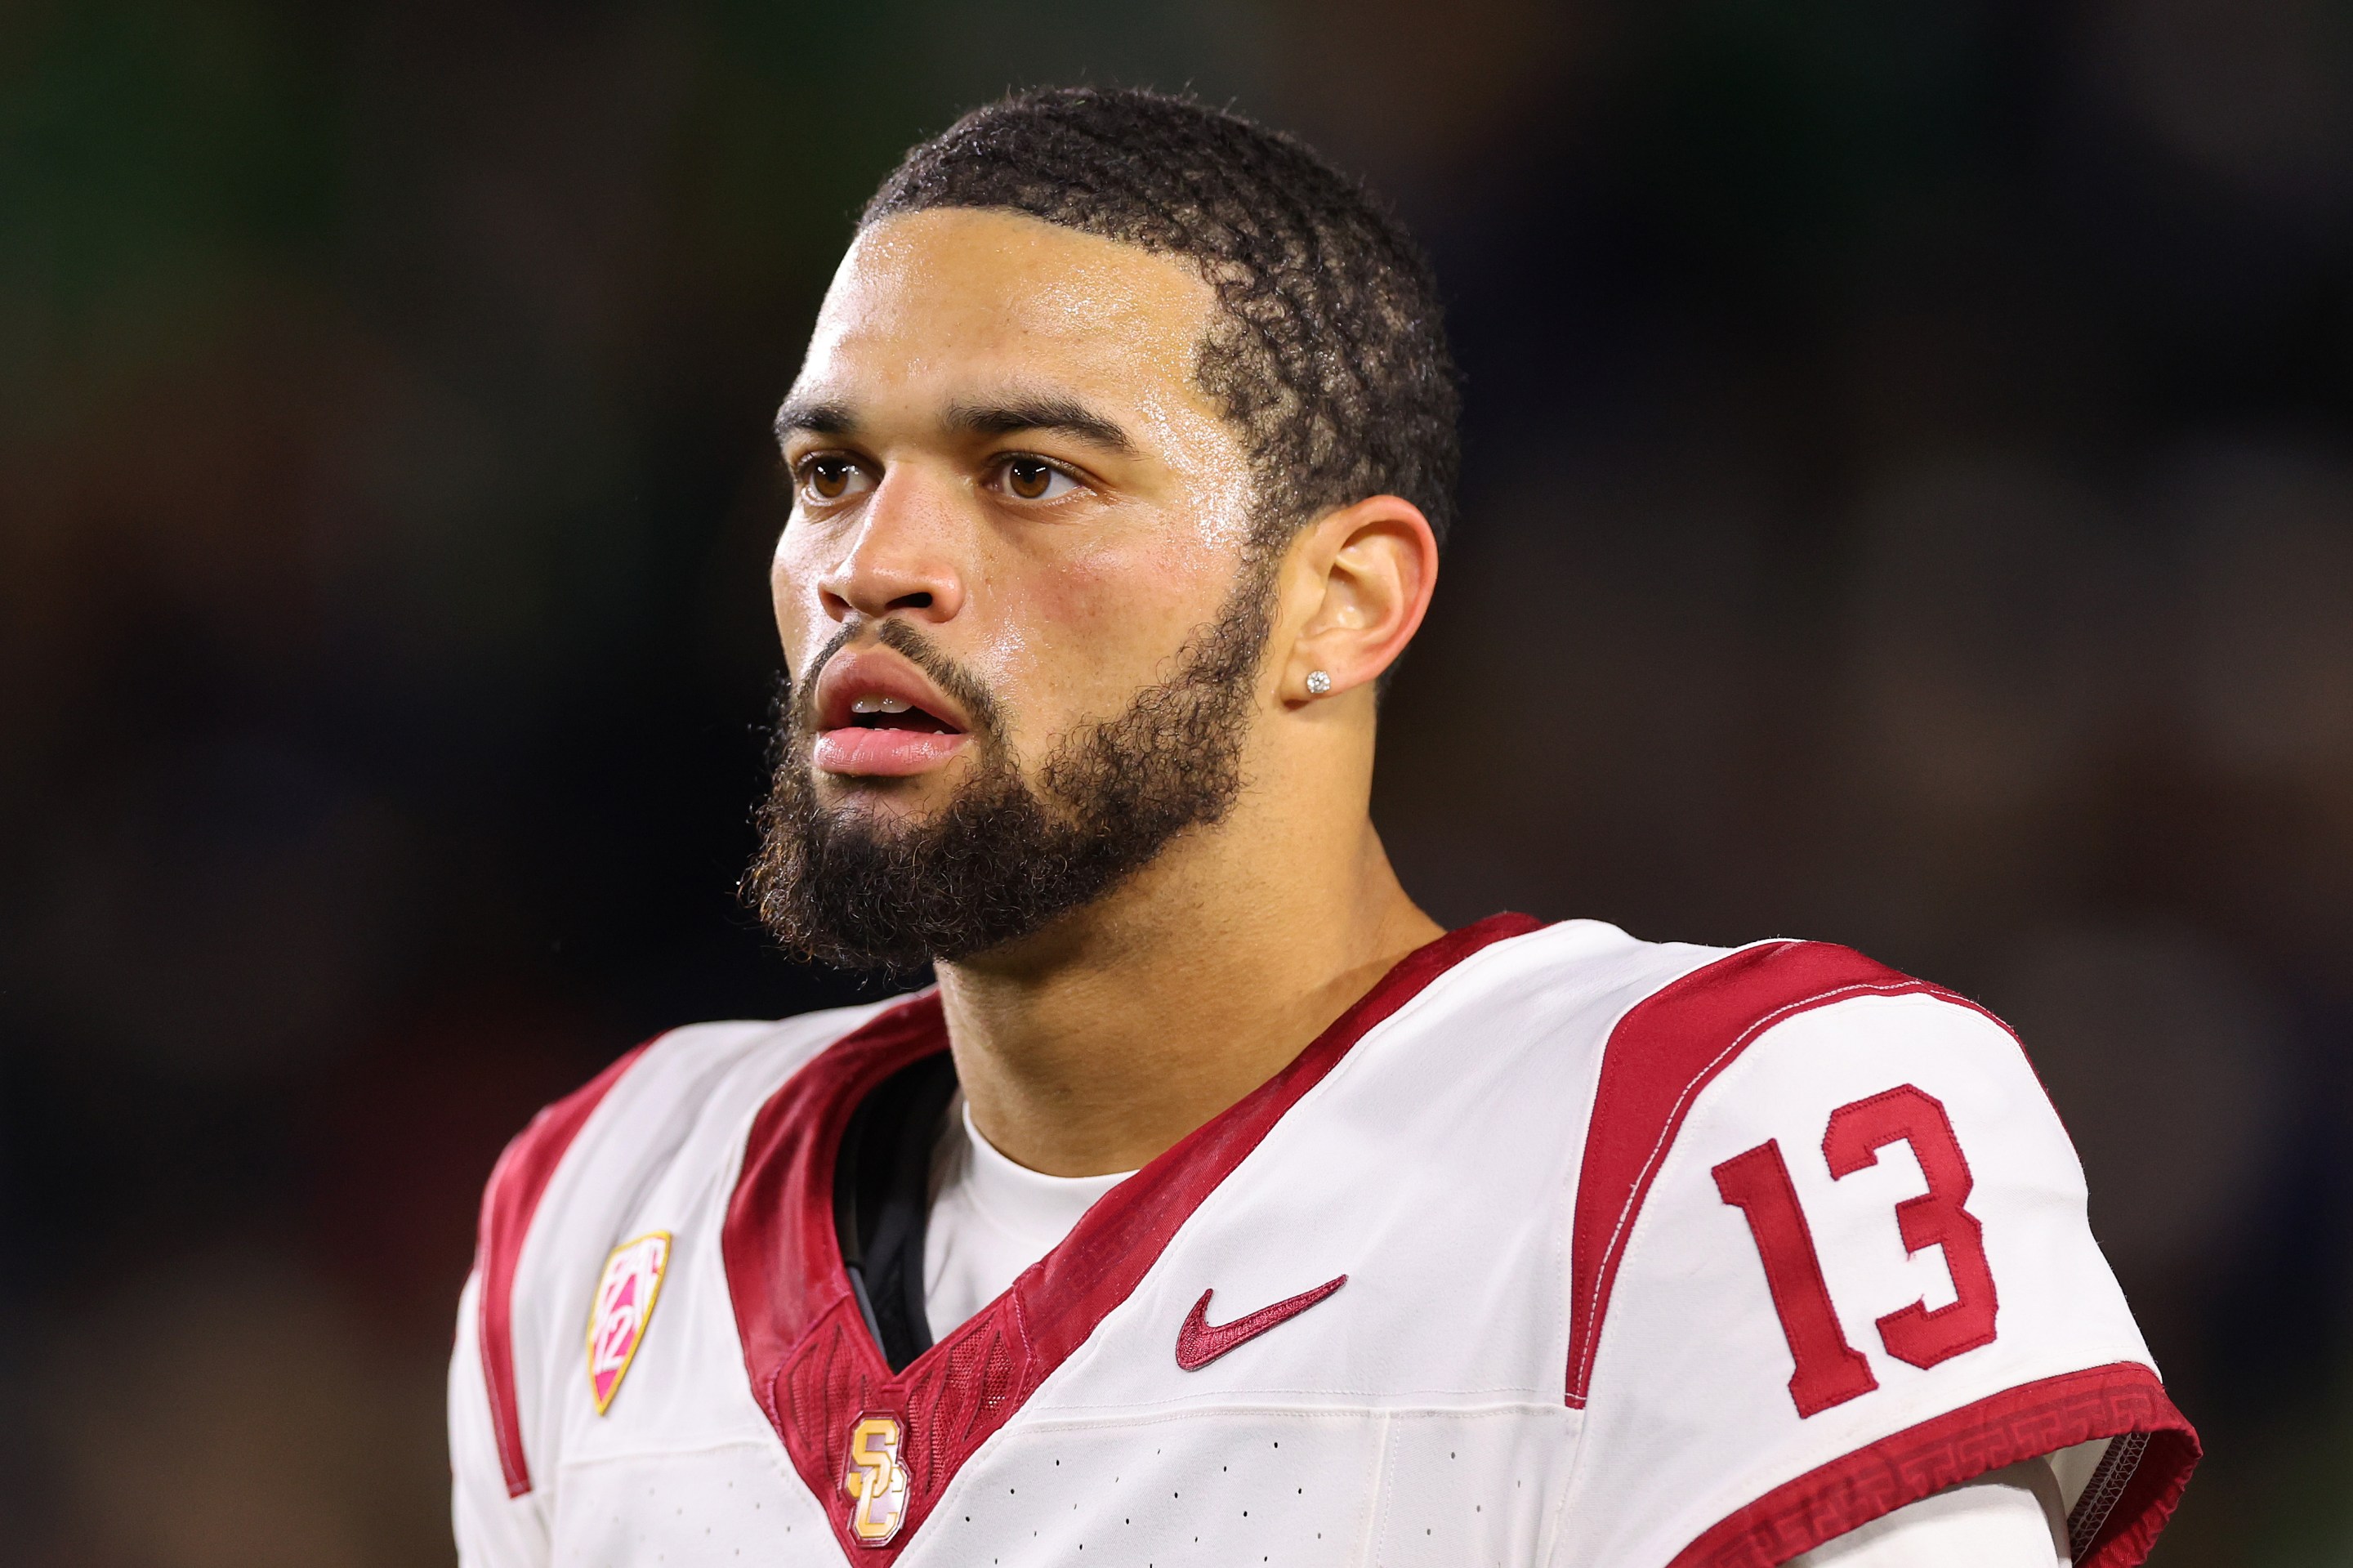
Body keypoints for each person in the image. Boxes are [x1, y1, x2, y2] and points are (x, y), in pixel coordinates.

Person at [449, 87, 2195, 1567]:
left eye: (1030, 473)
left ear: (1343, 603)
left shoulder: (1701, 1137)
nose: (870, 564)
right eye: (834, 472)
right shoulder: (607, 1207)